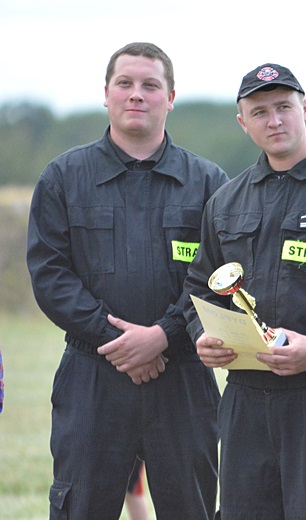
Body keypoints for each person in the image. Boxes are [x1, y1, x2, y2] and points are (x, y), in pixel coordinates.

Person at [26, 42, 227, 519]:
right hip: (92, 378)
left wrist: (163, 337)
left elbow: (219, 278)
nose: (137, 95)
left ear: (171, 97)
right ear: (106, 93)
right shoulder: (63, 178)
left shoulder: (208, 183)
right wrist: (119, 341)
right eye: (126, 83)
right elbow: (50, 275)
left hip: (182, 378)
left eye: (150, 85)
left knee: (193, 508)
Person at [182, 63, 306, 519]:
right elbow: (199, 286)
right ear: (243, 122)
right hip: (245, 400)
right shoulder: (227, 201)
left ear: (304, 108)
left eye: (284, 107)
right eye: (260, 111)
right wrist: (202, 335)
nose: (274, 121)